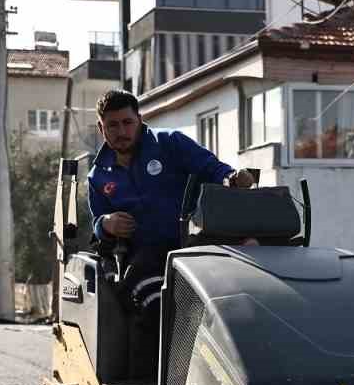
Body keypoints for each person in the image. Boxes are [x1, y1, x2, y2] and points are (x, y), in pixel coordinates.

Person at [87, 89, 252, 370]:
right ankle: (162, 383)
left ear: (140, 120)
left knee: (223, 311)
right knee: (155, 306)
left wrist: (233, 179)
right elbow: (97, 225)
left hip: (192, 249)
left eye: (127, 122)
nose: (121, 131)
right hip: (144, 259)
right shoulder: (97, 176)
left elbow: (215, 170)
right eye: (112, 125)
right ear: (102, 128)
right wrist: (106, 224)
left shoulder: (170, 143)